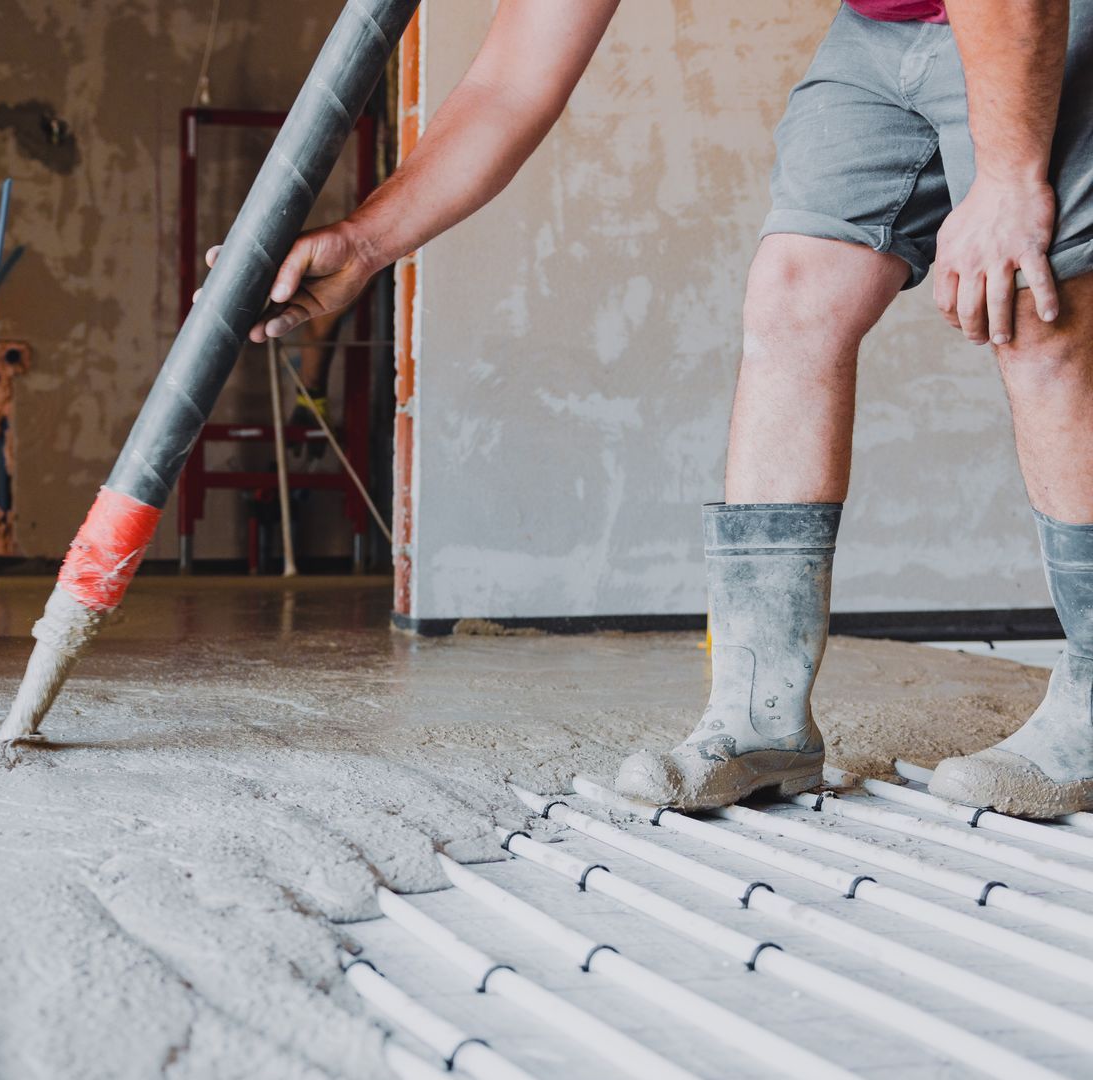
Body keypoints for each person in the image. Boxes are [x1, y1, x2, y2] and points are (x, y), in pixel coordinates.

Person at [218, 0, 1093, 816]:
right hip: (884, 26)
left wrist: (1010, 182)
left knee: (1033, 306)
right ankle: (761, 720)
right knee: (792, 297)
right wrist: (364, 245)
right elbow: (510, 82)